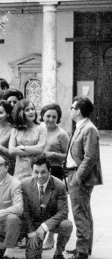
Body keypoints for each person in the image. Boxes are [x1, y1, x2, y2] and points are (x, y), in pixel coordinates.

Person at [65, 97, 103, 259]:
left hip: (79, 176)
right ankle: (84, 247)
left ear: (78, 110)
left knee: (80, 213)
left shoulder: (89, 129)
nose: (70, 110)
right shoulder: (82, 126)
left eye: (72, 107)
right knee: (83, 212)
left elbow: (90, 157)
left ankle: (82, 251)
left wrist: (78, 178)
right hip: (74, 173)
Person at [21, 155, 72, 259]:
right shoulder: (24, 185)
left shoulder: (59, 186)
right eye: (36, 172)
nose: (39, 176)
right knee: (32, 256)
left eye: (43, 172)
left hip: (51, 222)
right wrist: (31, 232)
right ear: (32, 171)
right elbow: (25, 211)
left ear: (49, 171)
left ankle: (58, 253)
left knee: (67, 224)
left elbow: (63, 212)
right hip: (34, 223)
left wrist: (44, 227)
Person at [9, 99, 46, 180]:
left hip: (36, 169)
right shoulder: (15, 130)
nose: (31, 112)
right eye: (27, 110)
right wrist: (33, 149)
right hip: (20, 170)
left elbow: (40, 149)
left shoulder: (41, 128)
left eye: (32, 109)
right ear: (21, 113)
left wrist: (22, 148)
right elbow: (11, 150)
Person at [0, 100, 16, 175]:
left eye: (0, 113)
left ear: (7, 114)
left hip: (8, 168)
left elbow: (15, 154)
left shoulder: (13, 130)